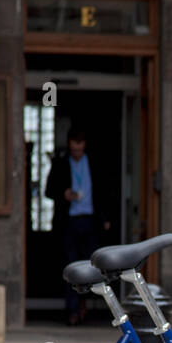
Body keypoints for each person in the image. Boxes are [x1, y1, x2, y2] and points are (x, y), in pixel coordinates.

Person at [45, 127, 110, 325]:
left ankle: (85, 306)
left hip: (89, 221)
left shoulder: (95, 163)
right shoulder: (60, 164)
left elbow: (105, 191)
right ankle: (72, 309)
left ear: (85, 147)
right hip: (69, 222)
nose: (76, 154)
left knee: (90, 267)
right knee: (71, 267)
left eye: (79, 150)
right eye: (73, 150)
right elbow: (48, 190)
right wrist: (63, 194)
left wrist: (105, 218)